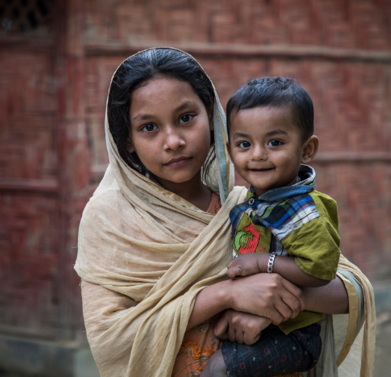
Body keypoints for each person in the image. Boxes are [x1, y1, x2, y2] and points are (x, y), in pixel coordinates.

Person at [75, 48, 375, 377]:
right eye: (149, 127)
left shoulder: (251, 205)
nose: (173, 141)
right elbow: (110, 338)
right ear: (127, 140)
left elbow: (351, 291)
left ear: (213, 117)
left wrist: (270, 302)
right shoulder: (110, 220)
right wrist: (226, 294)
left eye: (186, 118)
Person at [201, 77, 341, 377]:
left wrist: (263, 262)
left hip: (294, 334)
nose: (257, 154)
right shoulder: (254, 201)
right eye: (244, 144)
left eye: (275, 142)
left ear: (306, 150)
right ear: (229, 149)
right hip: (265, 323)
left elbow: (321, 270)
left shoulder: (303, 211)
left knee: (216, 370)